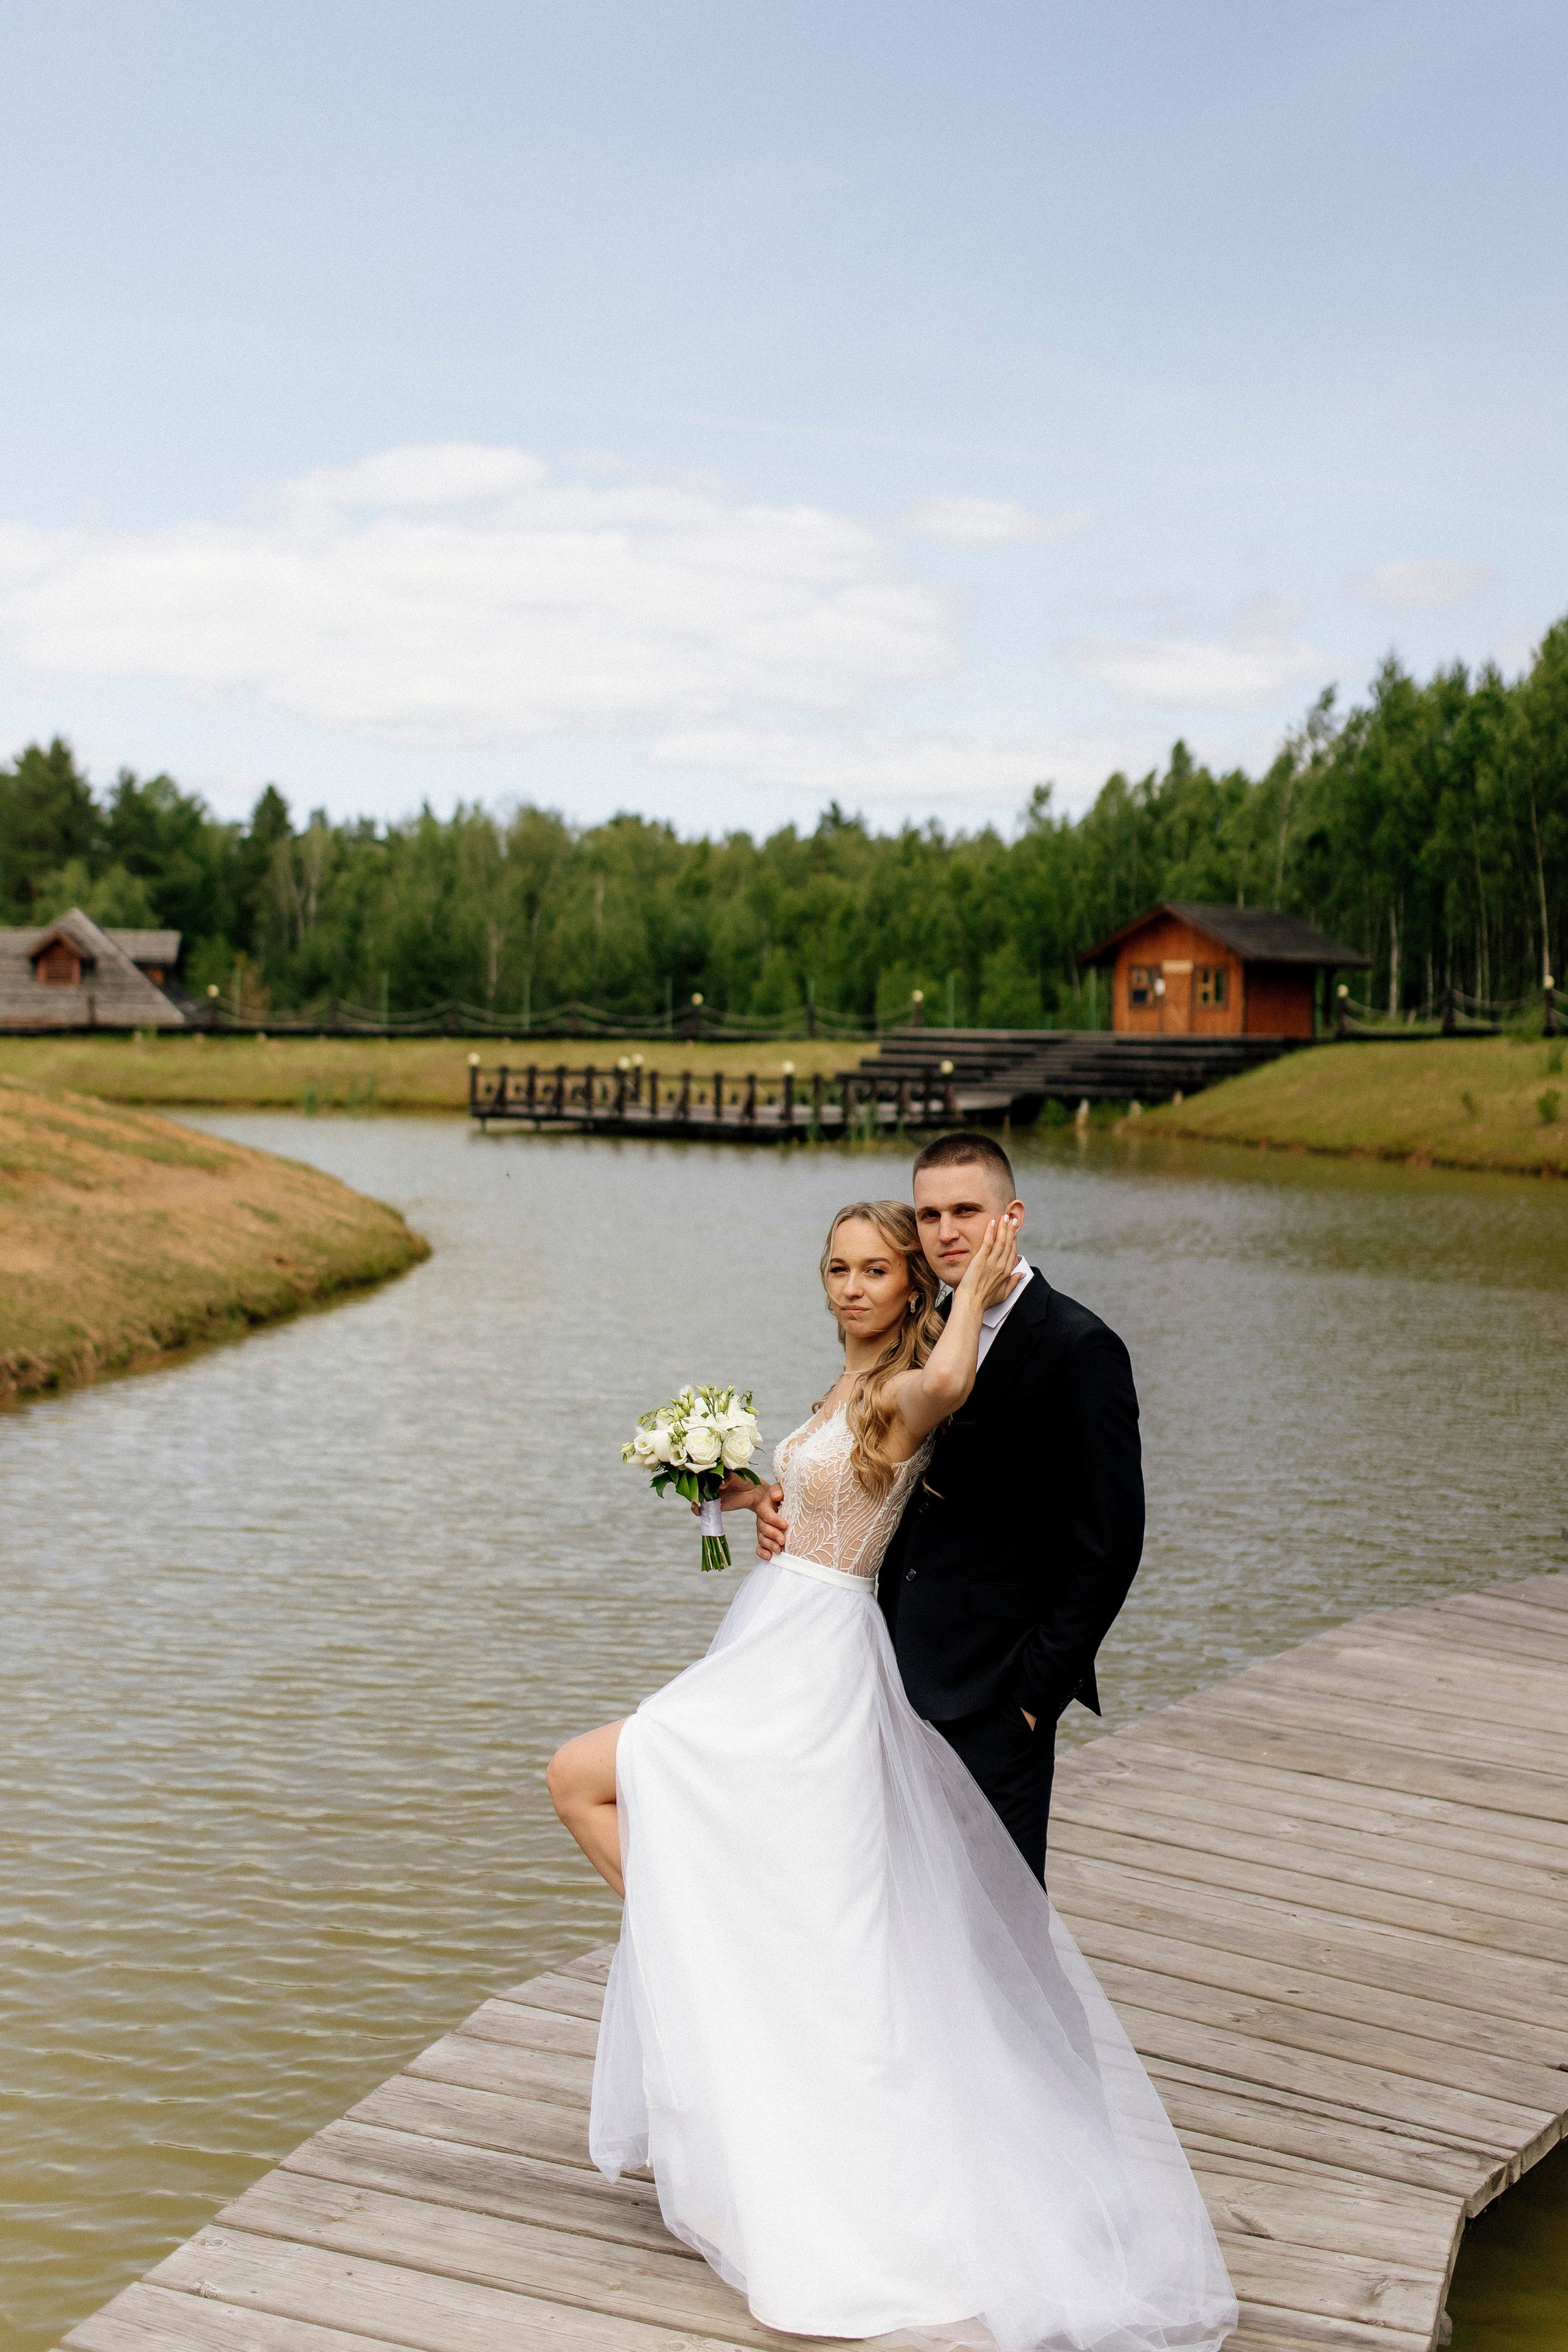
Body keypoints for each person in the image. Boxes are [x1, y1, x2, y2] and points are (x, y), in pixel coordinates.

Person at [546, 1199, 1234, 2352]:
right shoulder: (836, 1393)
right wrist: (734, 1498)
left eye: (876, 1270)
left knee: (583, 1777)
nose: (854, 1287)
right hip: (768, 1643)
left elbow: (953, 1388)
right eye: (838, 1268)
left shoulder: (904, 1389)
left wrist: (969, 1287)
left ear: (906, 1286)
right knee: (741, 1871)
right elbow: (818, 1506)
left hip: (812, 1668)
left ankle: (708, 1966)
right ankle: (724, 1977)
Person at [745, 1130, 1142, 1880]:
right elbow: (873, 1474)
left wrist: (1034, 1696)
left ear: (1011, 1217)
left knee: (995, 1919)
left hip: (994, 1692)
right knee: (890, 1903)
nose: (945, 1232)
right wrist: (780, 1507)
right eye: (929, 1216)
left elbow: (1111, 1540)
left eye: (965, 1210)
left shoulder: (1076, 1346)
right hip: (880, 1670)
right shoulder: (923, 1333)